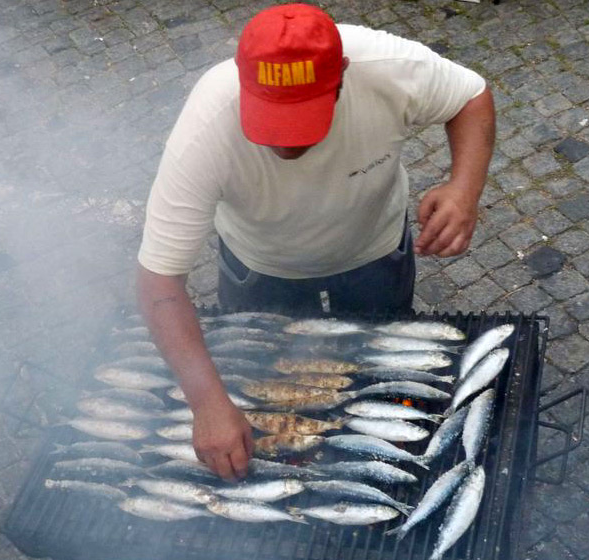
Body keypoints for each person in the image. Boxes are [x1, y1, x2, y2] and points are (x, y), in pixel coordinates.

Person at [137, 4, 495, 482]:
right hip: (261, 266)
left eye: (301, 120)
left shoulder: (385, 66)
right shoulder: (207, 127)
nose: (286, 145)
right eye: (272, 122)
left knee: (377, 364)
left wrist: (463, 189)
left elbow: (471, 97)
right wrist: (207, 404)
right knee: (269, 380)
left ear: (342, 76)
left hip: (375, 248)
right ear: (242, 82)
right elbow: (159, 282)